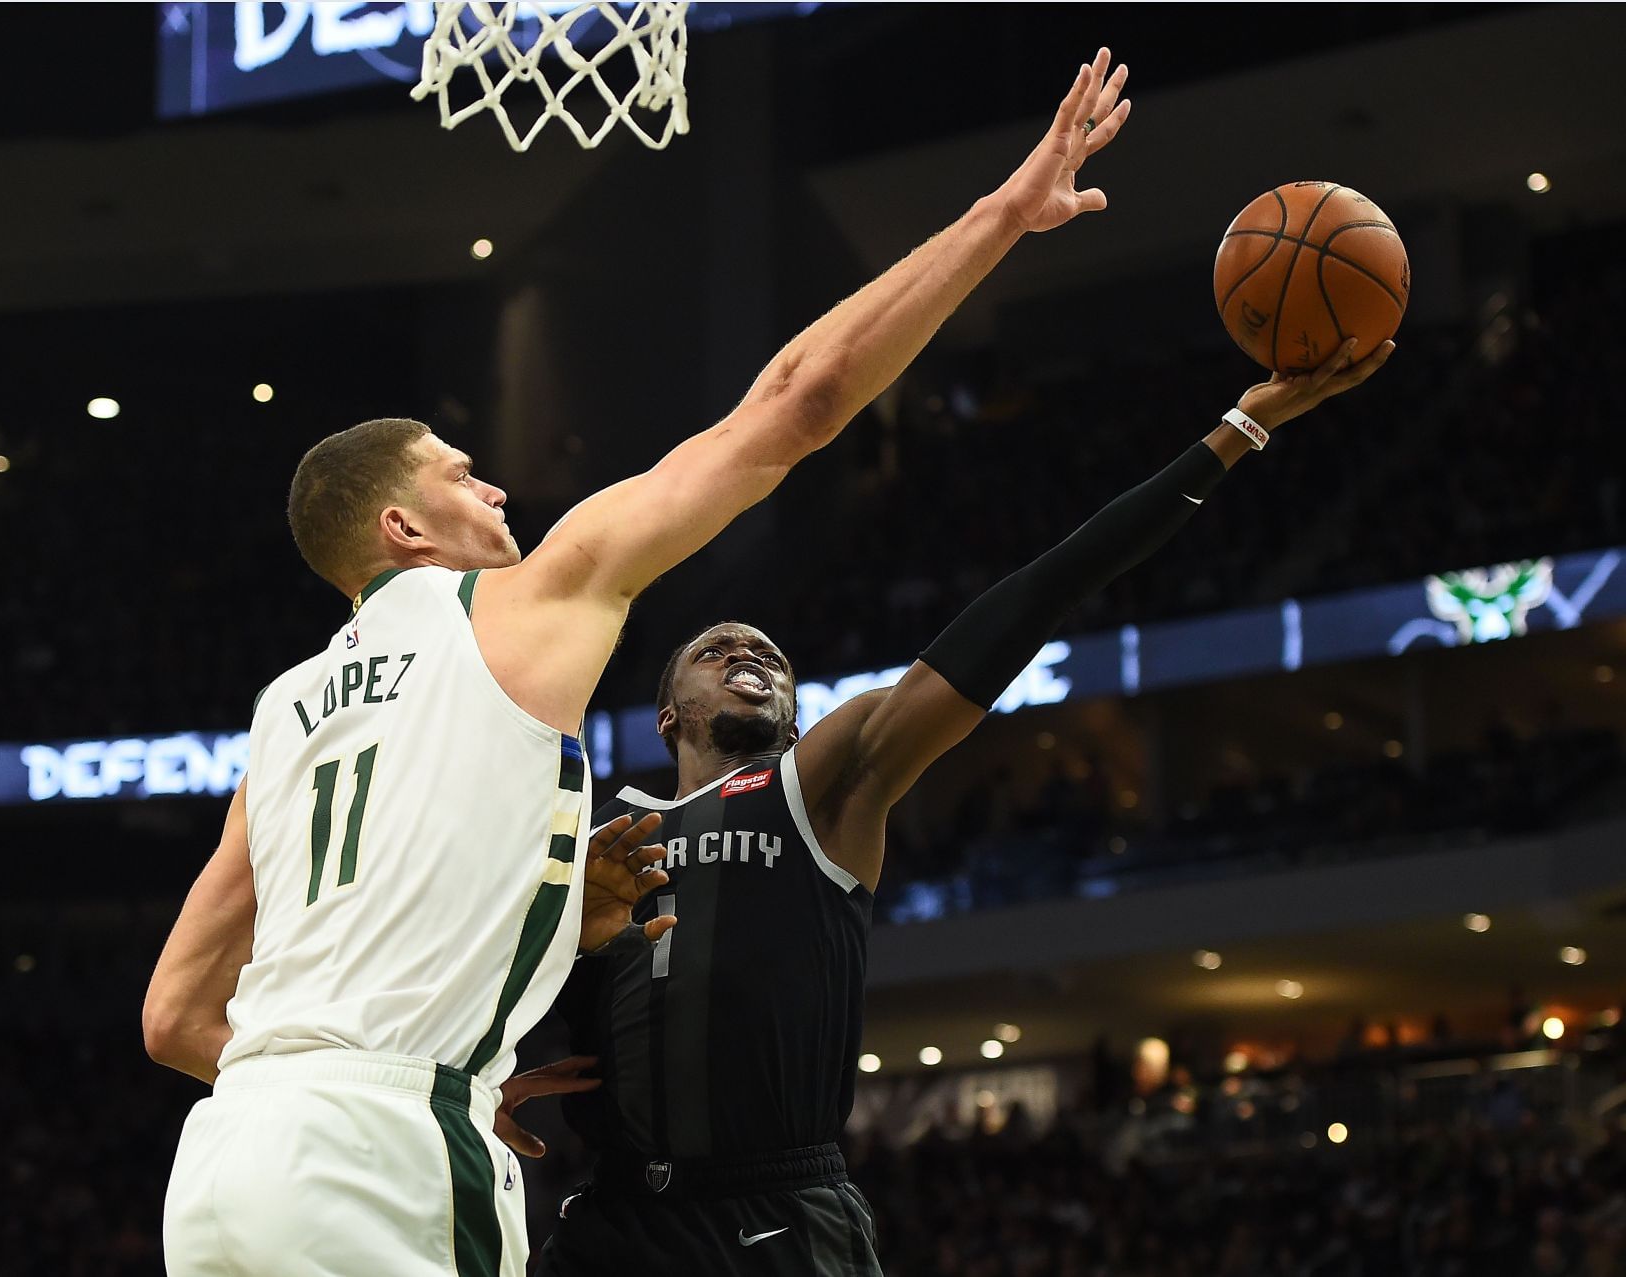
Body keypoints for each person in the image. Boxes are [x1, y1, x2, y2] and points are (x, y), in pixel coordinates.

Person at [142, 48, 1136, 1277]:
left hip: (225, 1161)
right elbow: (798, 402)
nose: (494, 481)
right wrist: (1003, 213)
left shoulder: (284, 714)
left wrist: (499, 953)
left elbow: (176, 1017)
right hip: (381, 1155)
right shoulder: (518, 603)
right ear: (401, 528)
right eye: (459, 471)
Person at [536, 337, 1393, 1275]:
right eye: (717, 647)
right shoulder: (591, 827)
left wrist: (1239, 429)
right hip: (616, 1220)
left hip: (774, 1210)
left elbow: (1041, 592)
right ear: (667, 714)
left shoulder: (823, 780)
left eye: (772, 654)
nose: (752, 650)